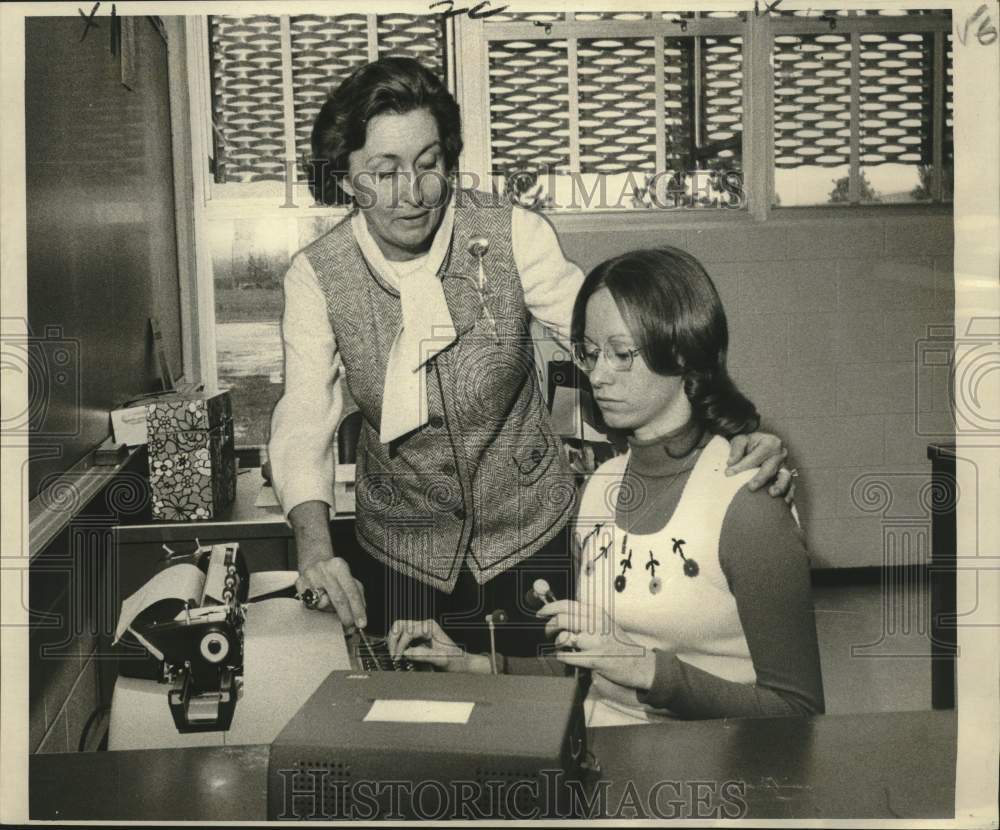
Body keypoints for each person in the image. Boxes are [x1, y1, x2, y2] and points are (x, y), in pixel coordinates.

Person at [267, 57, 793, 657]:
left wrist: (731, 437)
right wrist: (315, 551)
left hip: (531, 539)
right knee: (424, 728)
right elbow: (305, 415)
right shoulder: (317, 275)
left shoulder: (512, 233)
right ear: (344, 179)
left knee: (540, 718)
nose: (412, 193)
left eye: (429, 164)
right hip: (402, 555)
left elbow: (622, 349)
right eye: (382, 173)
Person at [389, 247, 824, 725]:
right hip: (604, 756)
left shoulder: (748, 501)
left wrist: (645, 670)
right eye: (590, 354)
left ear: (681, 352)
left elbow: (797, 713)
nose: (597, 376)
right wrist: (473, 665)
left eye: (621, 354)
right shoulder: (602, 485)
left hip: (711, 778)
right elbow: (588, 664)